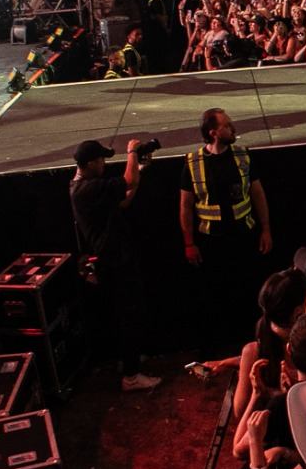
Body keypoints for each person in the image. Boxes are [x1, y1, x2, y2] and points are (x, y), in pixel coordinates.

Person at [180, 107, 272, 349]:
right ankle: (222, 346)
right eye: (227, 126)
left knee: (248, 291)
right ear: (213, 132)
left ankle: (252, 343)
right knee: (217, 295)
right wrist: (189, 243)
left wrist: (265, 229)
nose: (233, 129)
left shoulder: (243, 155)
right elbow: (186, 206)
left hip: (243, 236)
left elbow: (258, 194)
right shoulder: (193, 163)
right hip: (212, 243)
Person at [70, 138, 160, 390]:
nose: (103, 164)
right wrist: (132, 153)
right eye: (100, 160)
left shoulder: (89, 187)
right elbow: (127, 182)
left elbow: (124, 199)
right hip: (114, 262)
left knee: (130, 313)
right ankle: (131, 376)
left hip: (117, 258)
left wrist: (139, 169)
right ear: (88, 164)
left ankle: (129, 362)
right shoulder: (86, 189)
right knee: (128, 315)